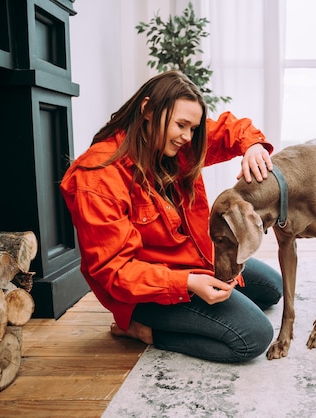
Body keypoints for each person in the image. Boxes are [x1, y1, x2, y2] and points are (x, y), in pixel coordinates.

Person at [60, 70, 282, 363]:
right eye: (181, 125)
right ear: (148, 110)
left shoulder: (177, 145)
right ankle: (144, 331)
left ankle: (195, 312)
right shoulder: (98, 178)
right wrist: (187, 283)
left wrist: (253, 146)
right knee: (253, 336)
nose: (188, 137)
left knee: (271, 288)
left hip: (192, 262)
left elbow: (231, 129)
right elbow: (114, 272)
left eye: (193, 127)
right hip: (146, 291)